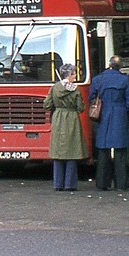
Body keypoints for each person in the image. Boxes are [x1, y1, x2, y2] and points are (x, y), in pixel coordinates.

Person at [89, 55, 129, 191]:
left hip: (103, 114)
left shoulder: (98, 79)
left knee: (103, 150)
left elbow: (91, 97)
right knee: (120, 152)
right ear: (120, 67)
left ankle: (102, 183)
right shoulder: (124, 80)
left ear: (109, 65)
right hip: (119, 115)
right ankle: (121, 184)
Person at [43, 63, 86, 191]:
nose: (74, 76)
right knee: (72, 151)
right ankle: (70, 184)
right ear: (70, 75)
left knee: (58, 151)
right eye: (74, 74)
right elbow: (80, 107)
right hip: (72, 118)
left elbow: (47, 105)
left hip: (58, 118)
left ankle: (58, 183)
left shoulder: (55, 88)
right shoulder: (75, 89)